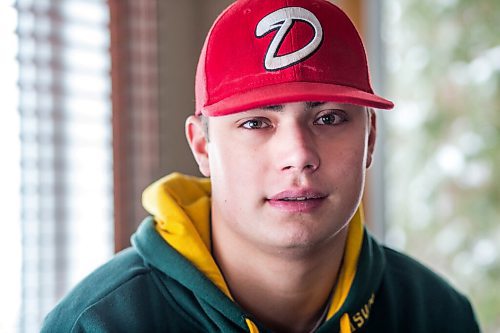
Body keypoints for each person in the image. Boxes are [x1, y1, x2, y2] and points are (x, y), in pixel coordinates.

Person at [42, 0, 481, 332]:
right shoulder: (98, 323)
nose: (298, 155)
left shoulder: (437, 314)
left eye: (327, 118)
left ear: (370, 137)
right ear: (202, 147)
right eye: (256, 122)